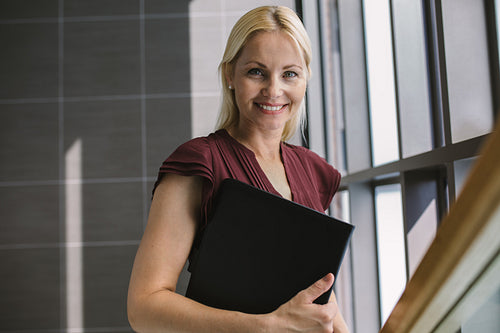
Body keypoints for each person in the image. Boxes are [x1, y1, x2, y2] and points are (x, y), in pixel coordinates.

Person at [127, 5, 349, 333]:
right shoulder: (200, 163)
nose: (274, 90)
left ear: (305, 79)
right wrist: (266, 326)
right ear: (230, 74)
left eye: (290, 73)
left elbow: (320, 297)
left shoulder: (311, 169)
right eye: (256, 72)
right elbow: (144, 306)